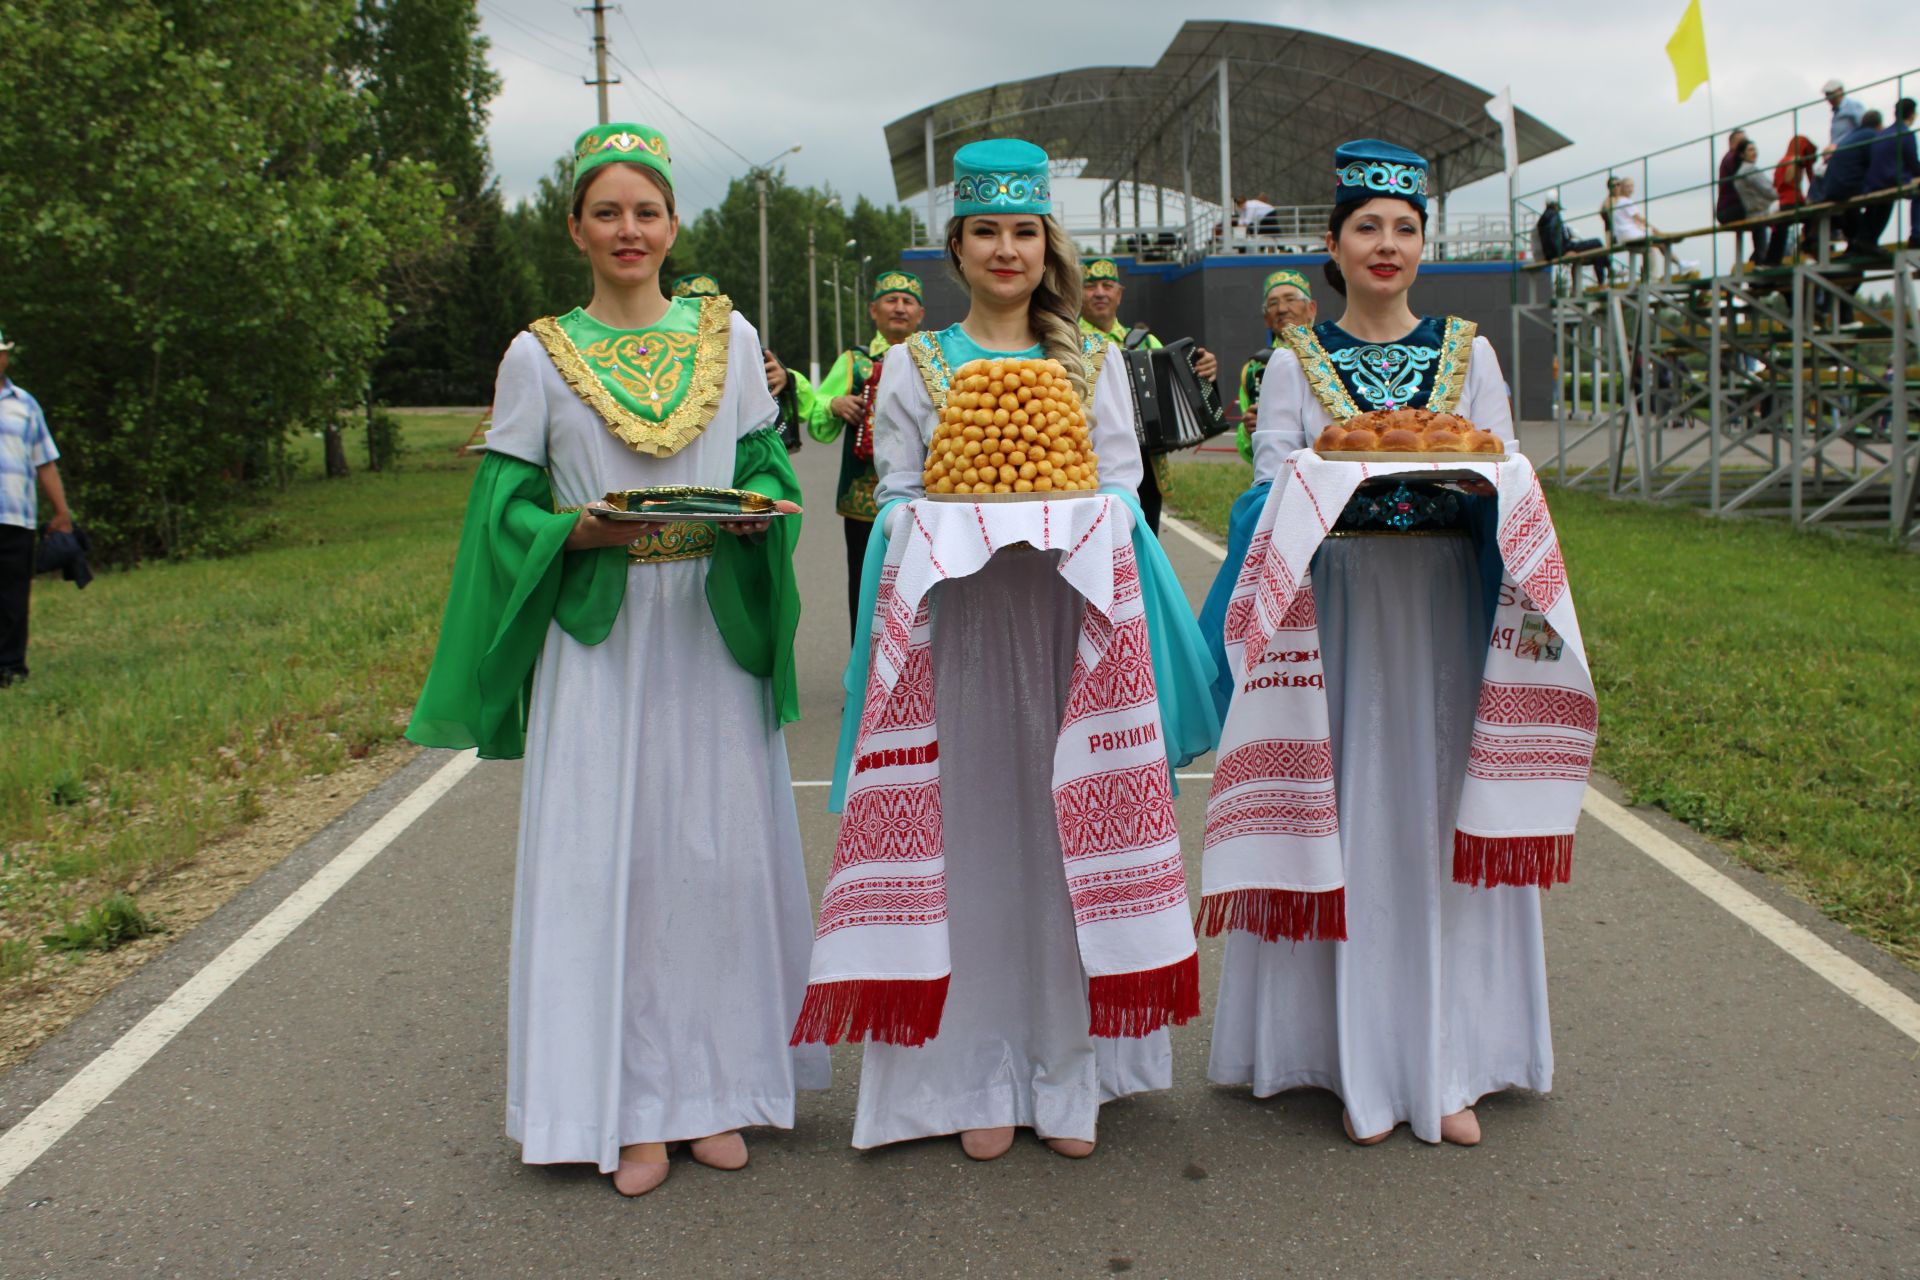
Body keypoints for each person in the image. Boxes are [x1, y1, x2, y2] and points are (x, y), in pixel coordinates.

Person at [405, 121, 825, 1197]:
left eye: (647, 210)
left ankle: (722, 1085)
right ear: (576, 228)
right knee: (615, 861)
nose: (629, 229)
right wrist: (576, 533)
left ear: (675, 223)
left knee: (715, 855)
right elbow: (503, 512)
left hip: (705, 625)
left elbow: (764, 459)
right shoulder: (536, 353)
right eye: (608, 211)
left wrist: (759, 513)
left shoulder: (728, 339)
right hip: (600, 636)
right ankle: (630, 1105)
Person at [797, 137, 1217, 1162]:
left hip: (1066, 624)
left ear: (1046, 244)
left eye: (1023, 231)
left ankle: (1069, 1069)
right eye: (986, 230)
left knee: (1070, 835)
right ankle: (972, 1068)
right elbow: (894, 501)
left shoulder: (1094, 361)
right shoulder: (913, 363)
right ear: (957, 246)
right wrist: (960, 518)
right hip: (964, 630)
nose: (1006, 249)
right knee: (971, 836)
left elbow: (1122, 493)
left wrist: (1065, 516)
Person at [1199, 139, 1544, 1148]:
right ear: (1332, 245)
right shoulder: (1296, 361)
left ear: (1424, 243)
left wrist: (1467, 479)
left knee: (1439, 804)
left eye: (1404, 227)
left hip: (1441, 597)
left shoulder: (1468, 350)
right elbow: (1266, 489)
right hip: (1338, 603)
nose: (1386, 244)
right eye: (1366, 227)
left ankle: (1450, 1057)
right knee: (1338, 805)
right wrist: (1326, 480)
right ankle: (1338, 1052)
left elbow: (1508, 471)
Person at [801, 269, 926, 632]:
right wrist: (835, 403)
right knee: (865, 583)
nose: (899, 308)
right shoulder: (854, 361)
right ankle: (865, 671)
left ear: (920, 314)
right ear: (874, 311)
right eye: (891, 300)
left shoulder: (930, 358)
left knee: (920, 582)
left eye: (908, 302)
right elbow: (819, 407)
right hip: (862, 499)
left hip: (924, 494)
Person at [1078, 256, 1218, 533]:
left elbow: (1177, 381)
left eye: (1108, 285)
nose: (1100, 293)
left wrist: (1203, 370)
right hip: (1089, 461)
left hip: (1148, 463)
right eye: (1090, 286)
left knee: (1145, 538)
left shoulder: (1146, 341)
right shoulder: (1068, 341)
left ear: (1119, 294)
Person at [0, 327, 73, 687]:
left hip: (16, 518)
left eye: (0, 352)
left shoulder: (25, 405)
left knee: (14, 595)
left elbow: (45, 461)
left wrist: (61, 512)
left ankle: (11, 668)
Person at [1235, 269, 1318, 463]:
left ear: (1311, 308)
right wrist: (1248, 432)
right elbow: (1247, 452)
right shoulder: (1254, 369)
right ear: (1266, 318)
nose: (1281, 309)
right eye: (1273, 304)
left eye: (1290, 299)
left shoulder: (1334, 356)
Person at [1857, 98, 1919, 255]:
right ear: (1912, 114)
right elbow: (1914, 165)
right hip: (1892, 179)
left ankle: (1865, 239)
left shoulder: (1882, 133)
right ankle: (1917, 235)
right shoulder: (1905, 133)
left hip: (1872, 182)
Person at [1825, 109, 1885, 253]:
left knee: (1854, 207)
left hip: (1832, 187)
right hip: (1847, 186)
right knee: (1883, 195)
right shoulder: (1871, 135)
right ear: (1878, 125)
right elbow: (1875, 163)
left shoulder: (1852, 136)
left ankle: (1855, 243)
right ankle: (1867, 240)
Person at [1603, 175, 1680, 279]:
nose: (1617, 187)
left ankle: (1678, 264)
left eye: (1618, 184)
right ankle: (1655, 274)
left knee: (1657, 243)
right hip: (1620, 234)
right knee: (1653, 245)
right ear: (1609, 188)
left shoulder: (1619, 200)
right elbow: (1612, 223)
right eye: (1614, 185)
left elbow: (1634, 220)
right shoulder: (1612, 202)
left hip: (1627, 232)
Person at [1766, 135, 1819, 264]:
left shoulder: (1782, 160)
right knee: (1816, 217)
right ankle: (1810, 244)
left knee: (1780, 229)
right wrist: (1796, 164)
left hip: (1782, 203)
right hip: (1791, 202)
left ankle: (1771, 261)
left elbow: (1777, 184)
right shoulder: (1794, 160)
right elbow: (1789, 179)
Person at [1535, 198, 1607, 289]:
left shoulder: (1545, 219)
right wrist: (1562, 253)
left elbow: (1551, 238)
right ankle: (1608, 271)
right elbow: (1552, 239)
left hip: (1560, 249)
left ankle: (1600, 280)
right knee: (1597, 243)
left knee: (1597, 253)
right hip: (1565, 249)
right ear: (1555, 206)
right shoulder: (1554, 217)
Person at [1734, 137, 1778, 263]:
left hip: (1752, 213)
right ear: (1742, 154)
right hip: (1761, 211)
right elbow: (1769, 190)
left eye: (1754, 149)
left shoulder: (1740, 172)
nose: (1754, 152)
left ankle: (1758, 260)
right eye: (1750, 150)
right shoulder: (1750, 170)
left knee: (1760, 245)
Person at [1716, 128, 1750, 227]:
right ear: (1731, 144)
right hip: (1729, 209)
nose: (1745, 144)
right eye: (1741, 142)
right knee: (1759, 212)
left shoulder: (1732, 159)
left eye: (1745, 141)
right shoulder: (1733, 159)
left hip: (1727, 208)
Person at [1822, 79, 1867, 152]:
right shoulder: (1837, 110)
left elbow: (1864, 126)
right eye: (1827, 95)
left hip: (1849, 149)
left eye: (1830, 94)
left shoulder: (1852, 105)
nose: (1828, 98)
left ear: (1840, 91)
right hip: (1838, 150)